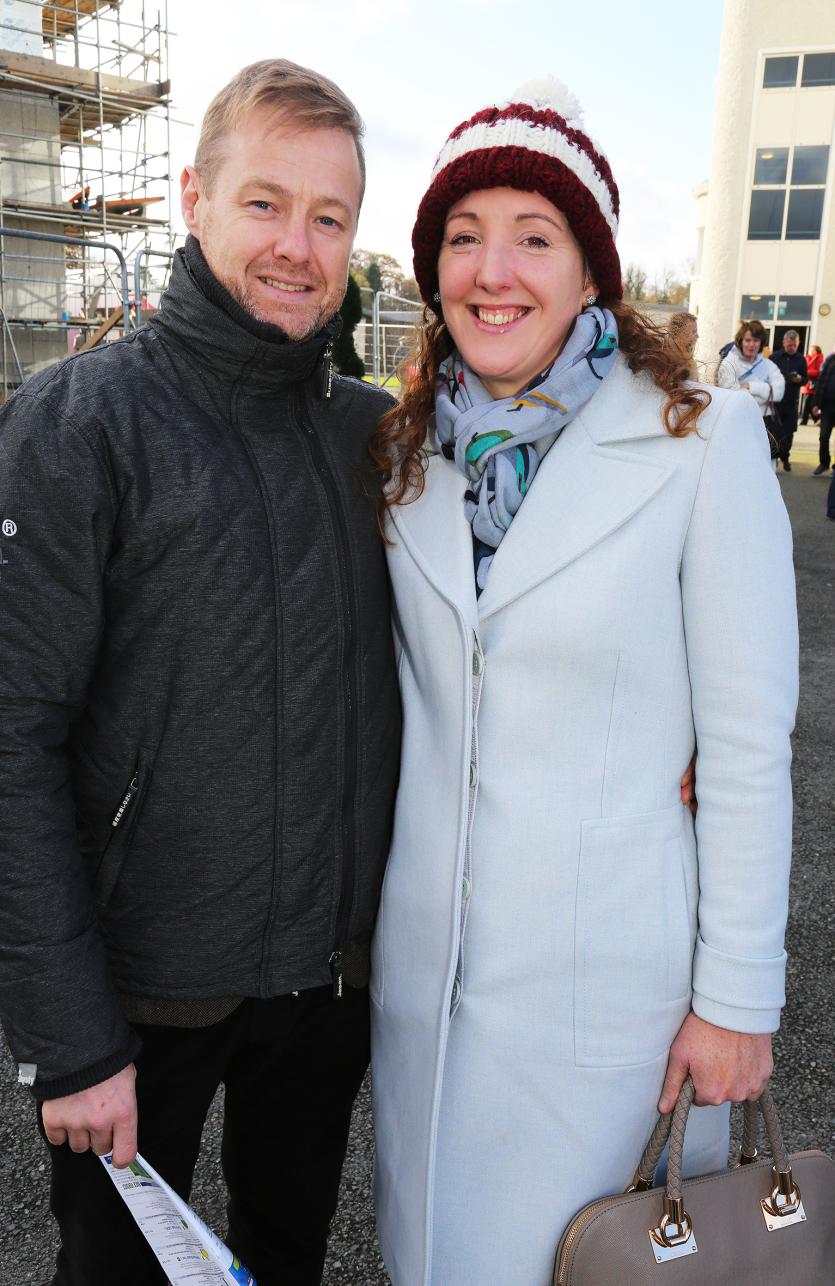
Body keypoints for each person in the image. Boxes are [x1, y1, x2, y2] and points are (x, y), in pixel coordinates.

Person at [367, 79, 798, 1286]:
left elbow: (747, 744)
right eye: (463, 237)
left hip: (613, 1004)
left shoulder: (699, 442)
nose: (492, 270)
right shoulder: (405, 457)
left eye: (533, 236)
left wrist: (736, 999)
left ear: (590, 271)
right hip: (430, 991)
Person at [0, 60, 401, 1286]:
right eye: (264, 202)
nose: (297, 246)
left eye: (328, 216)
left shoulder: (375, 437)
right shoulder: (81, 422)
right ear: (193, 197)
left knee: (284, 1259)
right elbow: (11, 734)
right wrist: (69, 1036)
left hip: (323, 991)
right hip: (138, 997)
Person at [717, 319, 785, 465]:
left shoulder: (768, 365)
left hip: (765, 425)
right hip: (739, 423)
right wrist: (765, 393)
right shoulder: (729, 363)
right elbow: (731, 395)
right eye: (748, 340)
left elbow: (778, 393)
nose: (752, 344)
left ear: (761, 343)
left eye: (756, 340)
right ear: (741, 341)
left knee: (766, 465)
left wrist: (750, 386)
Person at [770, 329, 807, 470]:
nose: (792, 348)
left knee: (789, 433)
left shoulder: (801, 359)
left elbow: (805, 379)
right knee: (774, 432)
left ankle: (785, 457)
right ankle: (774, 458)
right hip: (776, 403)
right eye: (789, 345)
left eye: (794, 345)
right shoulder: (774, 358)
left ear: (798, 343)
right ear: (784, 342)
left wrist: (800, 379)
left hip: (792, 402)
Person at [812, 344, 835, 476]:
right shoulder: (830, 360)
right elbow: (821, 382)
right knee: (823, 436)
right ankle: (824, 463)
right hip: (827, 406)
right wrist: (816, 404)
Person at [800, 343, 823, 424]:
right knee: (809, 403)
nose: (810, 351)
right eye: (810, 349)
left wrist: (807, 372)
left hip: (814, 384)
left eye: (812, 350)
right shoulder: (806, 358)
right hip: (807, 384)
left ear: (817, 352)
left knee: (809, 403)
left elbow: (818, 371)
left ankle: (805, 420)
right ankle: (817, 419)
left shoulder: (819, 359)